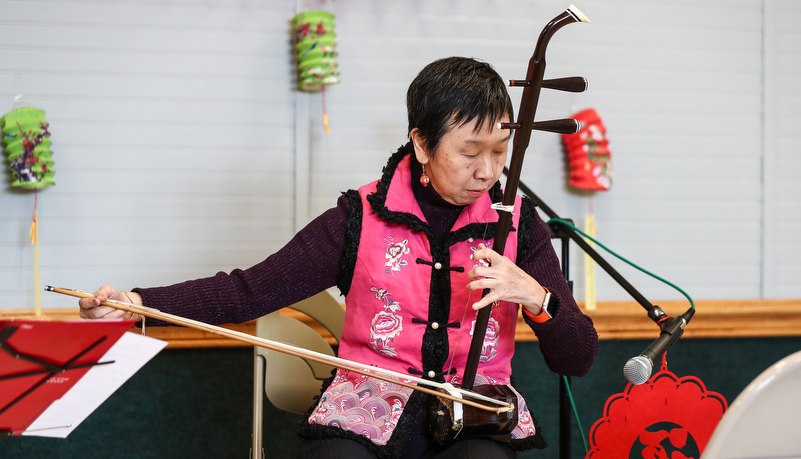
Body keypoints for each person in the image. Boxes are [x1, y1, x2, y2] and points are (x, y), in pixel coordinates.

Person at [79, 56, 598, 459]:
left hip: (475, 419)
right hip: (364, 413)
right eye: (469, 152)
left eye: (500, 153)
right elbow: (250, 289)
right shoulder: (359, 217)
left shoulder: (519, 225)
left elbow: (576, 359)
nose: (488, 171)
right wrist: (138, 302)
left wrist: (538, 298)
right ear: (421, 143)